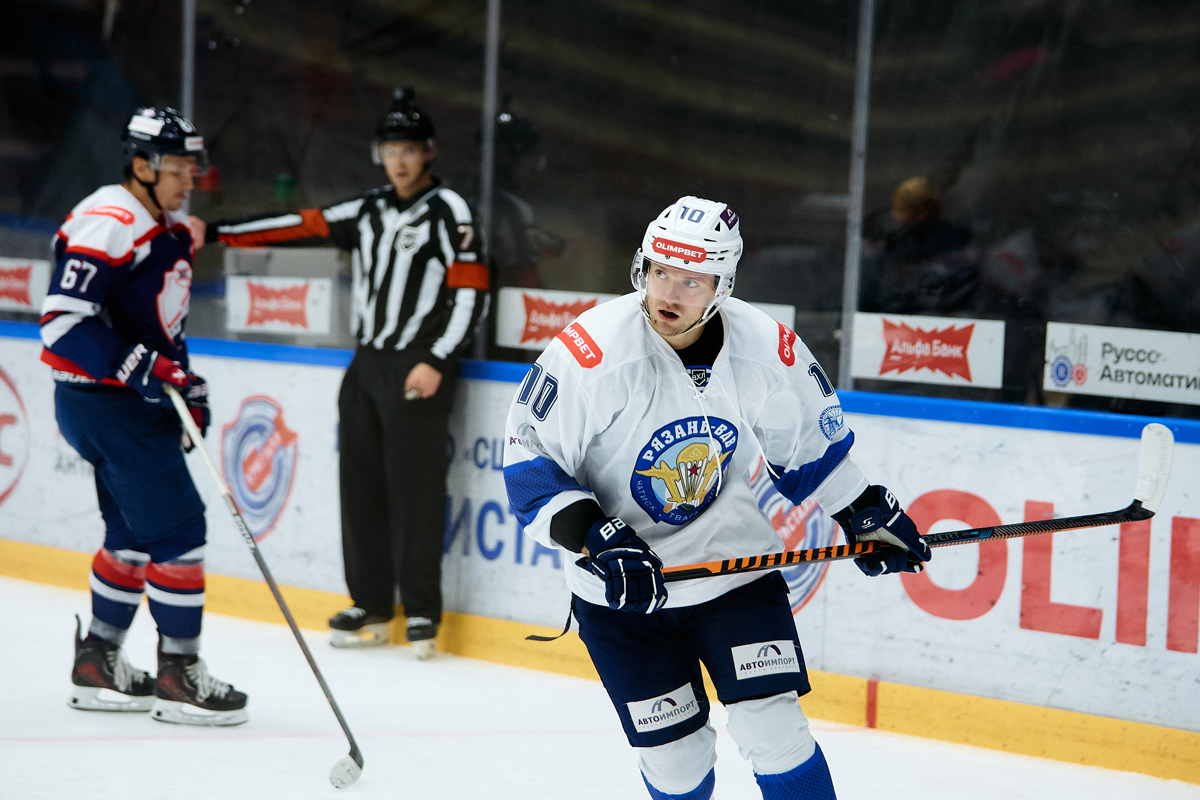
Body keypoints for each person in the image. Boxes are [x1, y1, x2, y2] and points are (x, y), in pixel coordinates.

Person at [503, 196, 930, 799]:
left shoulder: (764, 348)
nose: (667, 294)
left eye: (691, 280)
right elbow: (530, 469)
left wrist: (863, 511)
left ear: (722, 285)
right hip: (625, 594)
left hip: (735, 572)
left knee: (775, 732)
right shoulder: (591, 353)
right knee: (677, 764)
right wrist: (596, 538)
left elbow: (808, 447)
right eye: (659, 272)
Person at [208, 88, 488, 659]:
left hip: (418, 363)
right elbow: (299, 225)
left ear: (429, 152)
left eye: (410, 149)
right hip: (366, 364)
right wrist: (214, 232)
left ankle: (422, 610)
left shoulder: (449, 211)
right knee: (359, 486)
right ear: (378, 154)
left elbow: (471, 293)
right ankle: (372, 603)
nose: (399, 160)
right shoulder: (366, 210)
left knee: (414, 491)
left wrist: (437, 359)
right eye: (391, 149)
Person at [42, 107, 248, 725]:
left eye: (192, 168)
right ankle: (179, 675)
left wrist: (184, 381)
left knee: (133, 533)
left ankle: (97, 661)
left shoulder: (165, 227)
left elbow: (159, 326)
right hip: (106, 404)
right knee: (180, 531)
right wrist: (143, 368)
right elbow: (63, 324)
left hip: (122, 402)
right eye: (178, 169)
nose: (190, 180)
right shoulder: (109, 221)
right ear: (141, 166)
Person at [860, 175, 978, 314]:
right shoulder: (894, 243)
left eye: (900, 209)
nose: (893, 214)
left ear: (920, 213)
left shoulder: (957, 243)